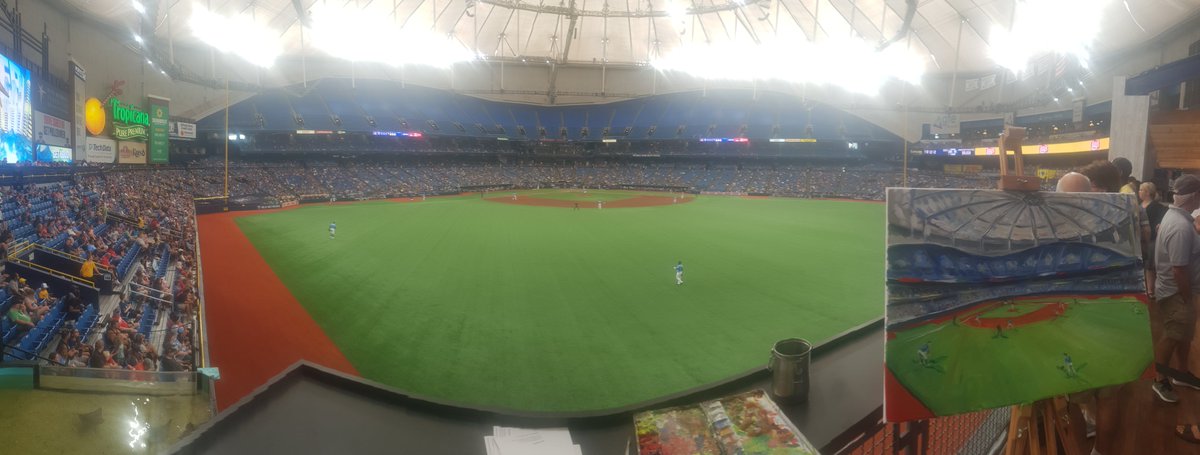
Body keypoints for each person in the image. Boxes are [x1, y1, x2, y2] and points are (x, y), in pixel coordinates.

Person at [1151, 174, 1200, 404]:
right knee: (1172, 336)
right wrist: (1187, 297)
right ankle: (1159, 379)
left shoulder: (1176, 217)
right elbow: (1179, 270)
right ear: (1195, 196)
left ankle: (1181, 373)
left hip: (1176, 291)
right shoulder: (1181, 226)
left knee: (1183, 335)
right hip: (1177, 293)